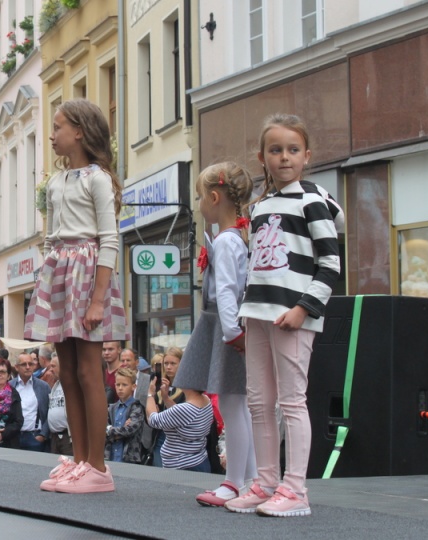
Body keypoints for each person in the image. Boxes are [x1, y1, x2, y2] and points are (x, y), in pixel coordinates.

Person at [225, 114, 341, 518]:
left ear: (306, 155)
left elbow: (330, 264)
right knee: (259, 401)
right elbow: (259, 265)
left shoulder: (312, 202)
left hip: (293, 314)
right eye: (276, 150)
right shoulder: (260, 206)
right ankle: (267, 481)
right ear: (263, 157)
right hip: (257, 313)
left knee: (292, 401)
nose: (284, 157)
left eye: (293, 150)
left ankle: (296, 489)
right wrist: (245, 312)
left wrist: (303, 308)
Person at [25, 99, 128, 494]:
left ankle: (99, 467)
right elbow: (52, 235)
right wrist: (47, 274)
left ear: (80, 131)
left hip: (87, 271)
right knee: (65, 371)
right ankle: (81, 460)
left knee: (88, 371)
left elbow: (108, 239)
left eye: (58, 127)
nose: (52, 135)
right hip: (60, 270)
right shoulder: (55, 181)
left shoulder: (97, 178)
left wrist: (98, 299)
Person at [173, 162, 258, 508]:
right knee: (239, 406)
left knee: (234, 405)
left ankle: (234, 482)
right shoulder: (234, 239)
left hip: (226, 327)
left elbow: (226, 291)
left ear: (213, 197)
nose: (198, 205)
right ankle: (250, 480)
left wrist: (232, 333)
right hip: (227, 326)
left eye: (199, 197)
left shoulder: (226, 242)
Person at [145, 373, 213, 472]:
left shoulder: (185, 408)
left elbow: (153, 420)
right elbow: (180, 416)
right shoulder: (206, 400)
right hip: (199, 461)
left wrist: (150, 394)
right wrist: (166, 398)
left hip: (182, 466)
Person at [104, 368, 148, 464]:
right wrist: (120, 430)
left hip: (129, 459)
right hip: (110, 457)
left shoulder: (137, 407)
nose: (120, 388)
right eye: (118, 384)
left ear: (133, 387)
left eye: (124, 385)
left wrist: (109, 430)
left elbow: (129, 430)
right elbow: (101, 430)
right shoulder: (111, 408)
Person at [151, 348, 186, 467]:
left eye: (173, 363)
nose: (168, 367)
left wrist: (166, 398)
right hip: (160, 436)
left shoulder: (187, 388)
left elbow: (182, 415)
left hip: (180, 439)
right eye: (166, 363)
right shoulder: (160, 385)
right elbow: (151, 418)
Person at [12, 352, 51, 452]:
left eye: (30, 364)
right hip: (14, 437)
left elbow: (49, 411)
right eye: (24, 364)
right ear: (17, 367)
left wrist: (43, 435)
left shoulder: (43, 386)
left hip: (34, 437)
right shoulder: (10, 386)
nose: (28, 367)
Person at [47, 355, 73, 457]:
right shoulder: (56, 385)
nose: (50, 370)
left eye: (53, 366)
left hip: (68, 438)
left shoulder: (71, 385)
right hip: (55, 438)